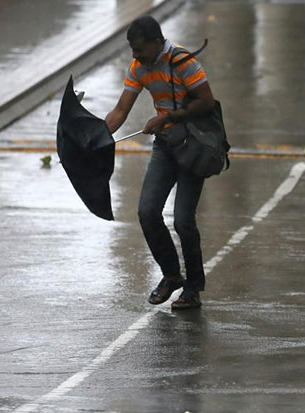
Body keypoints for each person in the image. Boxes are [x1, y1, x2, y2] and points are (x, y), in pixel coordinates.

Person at [105, 16, 215, 310]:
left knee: (183, 221)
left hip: (194, 147)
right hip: (166, 146)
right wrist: (96, 139)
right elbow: (120, 110)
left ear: (157, 42)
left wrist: (166, 117)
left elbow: (207, 101)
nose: (134, 56)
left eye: (139, 49)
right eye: (132, 50)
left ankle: (193, 289)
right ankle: (171, 275)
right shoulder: (140, 67)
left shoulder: (183, 62)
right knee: (147, 211)